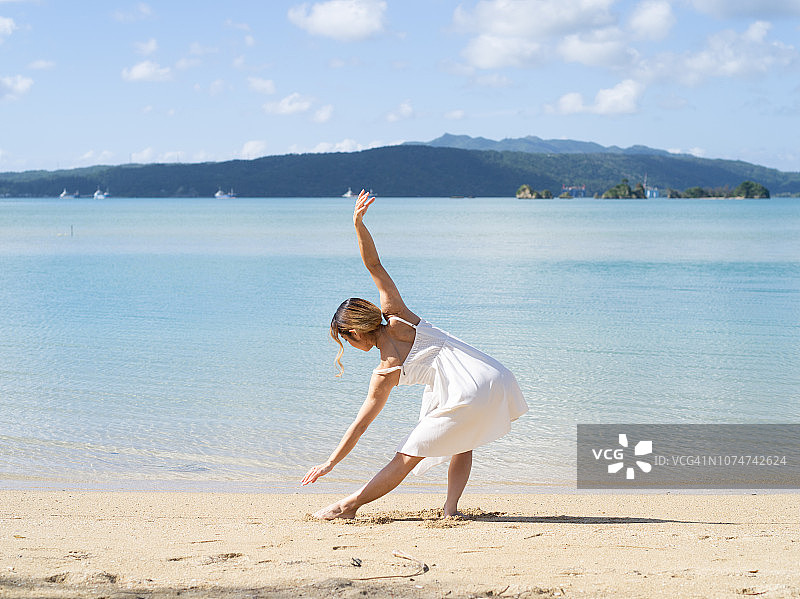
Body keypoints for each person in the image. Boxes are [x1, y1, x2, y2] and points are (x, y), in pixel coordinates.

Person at [301, 190, 528, 519]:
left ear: (356, 332)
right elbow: (374, 265)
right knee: (463, 442)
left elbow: (360, 426)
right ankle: (450, 511)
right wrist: (358, 224)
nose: (349, 347)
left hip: (467, 389)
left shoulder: (385, 369)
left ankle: (346, 507)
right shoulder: (399, 318)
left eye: (346, 340)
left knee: (406, 456)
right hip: (492, 374)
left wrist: (330, 462)